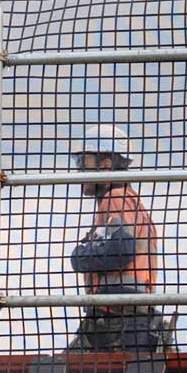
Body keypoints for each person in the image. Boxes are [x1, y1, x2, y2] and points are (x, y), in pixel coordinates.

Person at [65, 126, 166, 357]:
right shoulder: (130, 201)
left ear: (106, 164)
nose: (79, 168)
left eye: (84, 160)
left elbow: (120, 249)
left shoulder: (115, 199)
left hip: (117, 321)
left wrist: (80, 256)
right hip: (129, 316)